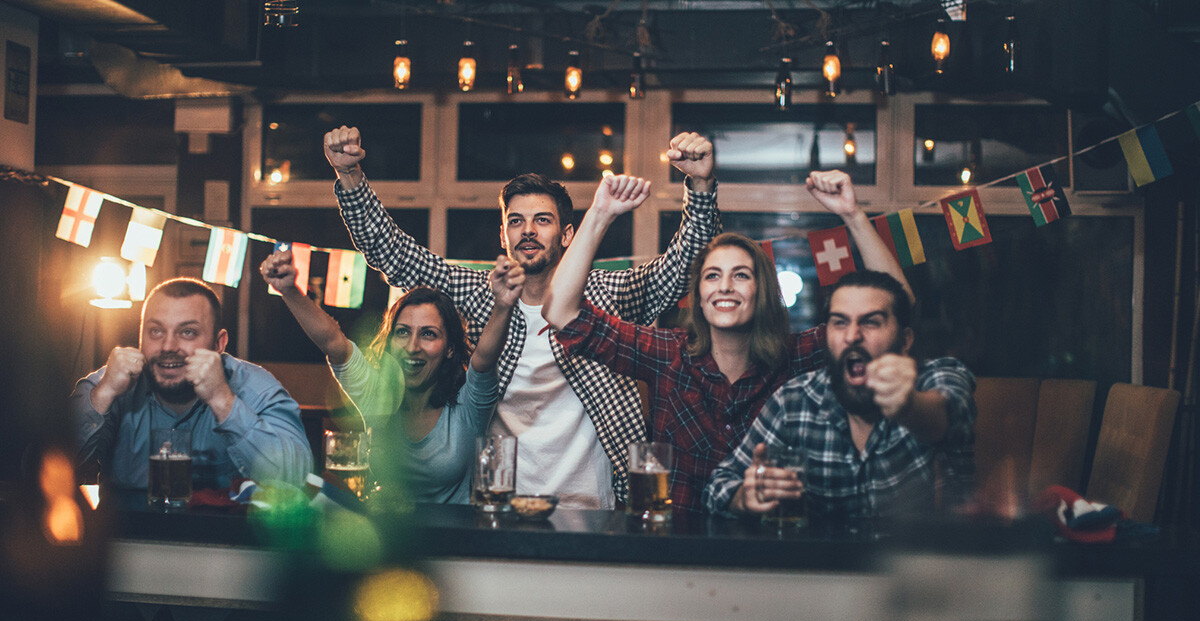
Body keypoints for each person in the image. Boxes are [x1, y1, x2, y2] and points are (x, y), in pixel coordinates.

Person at [325, 126, 721, 508]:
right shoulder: (482, 295)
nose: (527, 231)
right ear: (503, 236)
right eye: (516, 221)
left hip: (596, 506)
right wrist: (350, 175)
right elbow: (394, 254)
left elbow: (684, 270)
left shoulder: (608, 295)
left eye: (542, 220)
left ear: (567, 235)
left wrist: (701, 187)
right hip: (499, 505)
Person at [542, 170, 914, 515]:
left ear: (762, 291)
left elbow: (896, 310)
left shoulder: (795, 356)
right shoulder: (668, 353)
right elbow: (561, 312)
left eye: (741, 276)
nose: (724, 287)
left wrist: (853, 215)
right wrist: (601, 213)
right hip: (675, 550)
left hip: (769, 552)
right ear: (699, 294)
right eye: (712, 276)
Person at [704, 270, 976, 521]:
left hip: (928, 569)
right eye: (840, 322)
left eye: (871, 322)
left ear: (905, 340)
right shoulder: (795, 401)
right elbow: (719, 485)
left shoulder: (938, 377)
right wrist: (744, 497)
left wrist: (907, 406)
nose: (852, 336)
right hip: (824, 571)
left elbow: (942, 418)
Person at [260, 248, 523, 503]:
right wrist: (289, 290)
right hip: (389, 540)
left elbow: (484, 359)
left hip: (456, 540)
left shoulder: (469, 404)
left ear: (450, 349)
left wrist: (502, 305)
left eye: (428, 334)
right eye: (403, 332)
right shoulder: (375, 394)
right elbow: (332, 341)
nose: (412, 346)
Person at [70, 278, 312, 490]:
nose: (167, 346)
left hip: (227, 540)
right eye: (155, 331)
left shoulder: (256, 387)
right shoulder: (109, 383)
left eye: (187, 332)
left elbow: (298, 480)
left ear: (219, 344)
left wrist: (222, 400)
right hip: (128, 538)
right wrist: (104, 394)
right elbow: (49, 469)